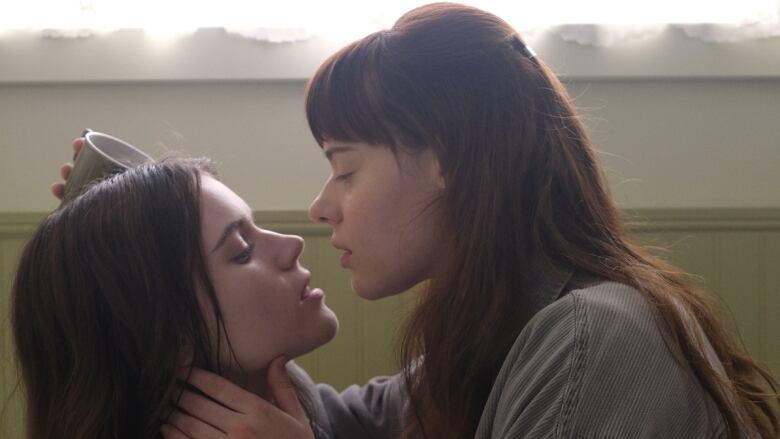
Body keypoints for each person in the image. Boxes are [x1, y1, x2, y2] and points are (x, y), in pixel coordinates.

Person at [54, 3, 780, 438]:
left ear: (448, 161)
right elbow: (339, 425)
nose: (320, 206)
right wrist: (136, 222)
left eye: (344, 166)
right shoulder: (497, 330)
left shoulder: (593, 336)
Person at [17, 157, 339, 438]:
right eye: (243, 251)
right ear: (172, 338)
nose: (293, 243)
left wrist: (141, 193)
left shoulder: (290, 413)